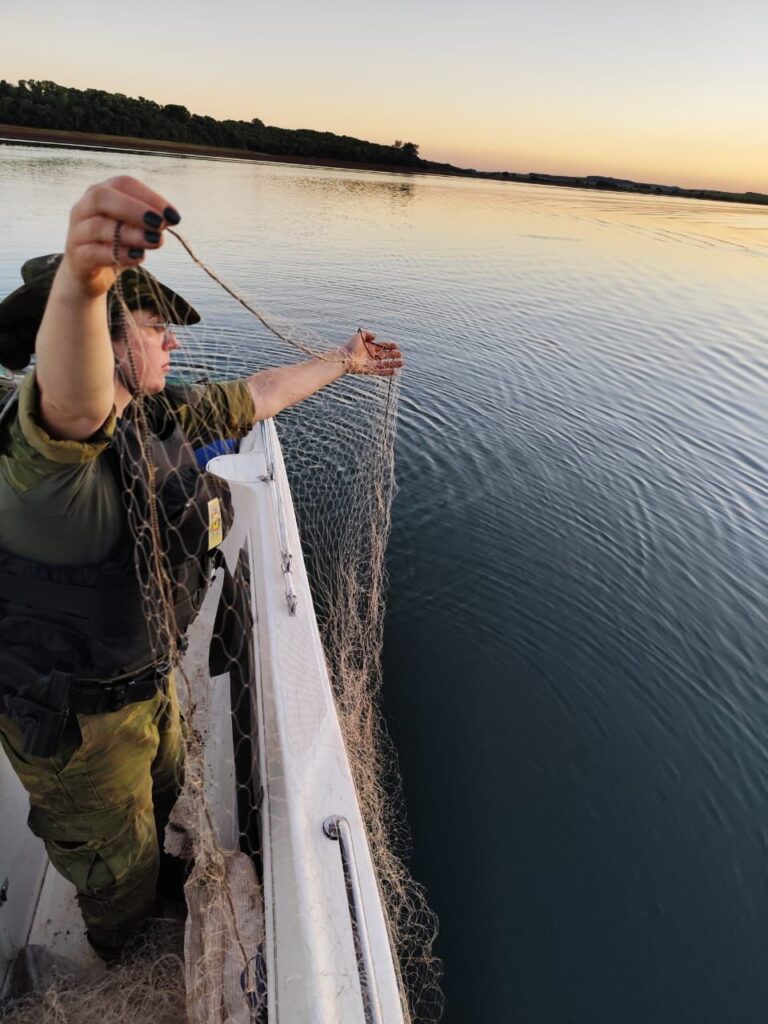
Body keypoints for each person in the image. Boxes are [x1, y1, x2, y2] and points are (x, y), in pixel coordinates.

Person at [0, 175, 402, 962]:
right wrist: (85, 285)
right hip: (77, 731)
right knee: (118, 874)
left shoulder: (158, 414)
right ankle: (124, 946)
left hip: (148, 688)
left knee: (166, 799)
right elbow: (72, 405)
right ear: (108, 339)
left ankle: (154, 887)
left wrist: (343, 361)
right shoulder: (45, 469)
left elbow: (256, 394)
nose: (172, 344)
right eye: (154, 328)